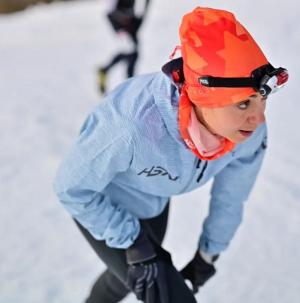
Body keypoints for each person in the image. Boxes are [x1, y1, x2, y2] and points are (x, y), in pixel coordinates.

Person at [53, 6, 288, 303]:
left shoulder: (248, 133)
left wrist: (209, 252)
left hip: (151, 200)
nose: (258, 117)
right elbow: (71, 188)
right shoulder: (130, 127)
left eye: (261, 98)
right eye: (243, 104)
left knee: (121, 281)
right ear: (203, 99)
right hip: (101, 199)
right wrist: (134, 243)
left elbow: (231, 196)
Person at [98, 0, 151, 94]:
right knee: (130, 52)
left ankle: (106, 70)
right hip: (122, 20)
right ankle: (107, 71)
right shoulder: (118, 19)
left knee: (130, 52)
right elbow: (109, 13)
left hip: (127, 20)